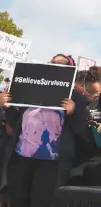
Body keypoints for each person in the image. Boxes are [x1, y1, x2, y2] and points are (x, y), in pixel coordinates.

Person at [0, 54, 88, 207]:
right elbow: (15, 123)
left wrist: (73, 113)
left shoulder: (76, 98)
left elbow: (81, 130)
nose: (56, 66)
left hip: (51, 163)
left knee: (42, 202)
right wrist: (6, 106)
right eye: (53, 63)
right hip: (21, 159)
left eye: (62, 64)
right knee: (17, 201)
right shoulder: (30, 89)